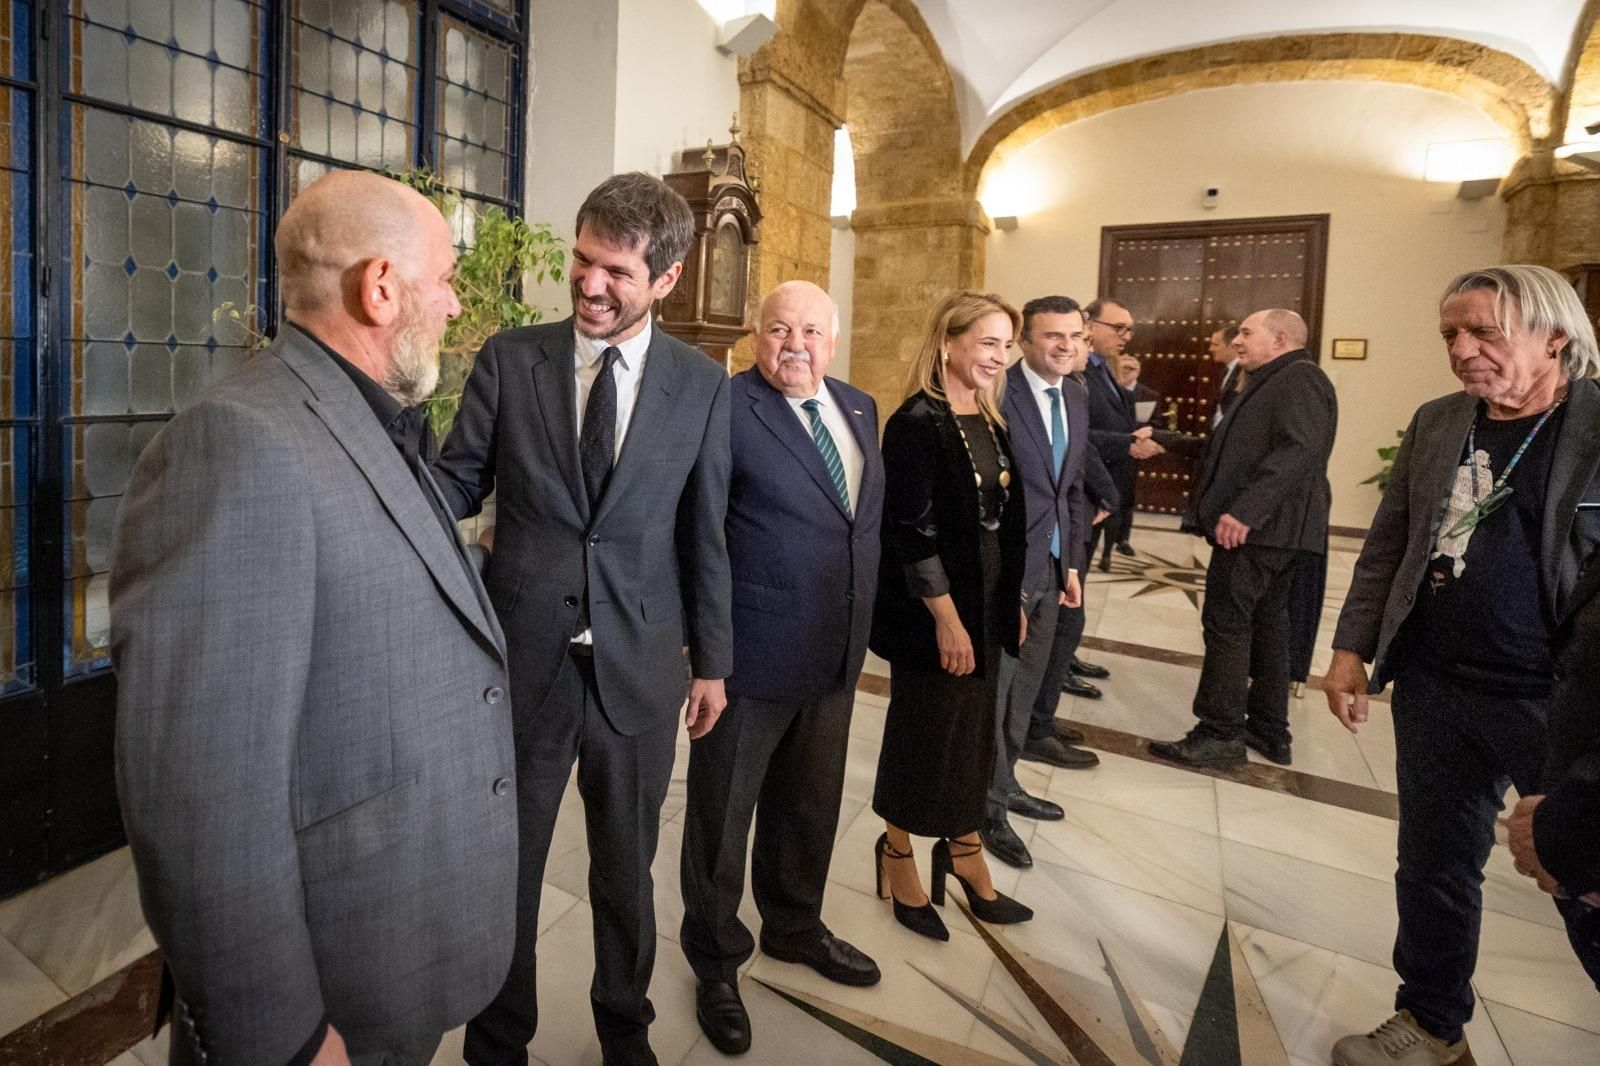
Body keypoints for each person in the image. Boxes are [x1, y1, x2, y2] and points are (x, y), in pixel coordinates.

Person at [111, 170, 516, 1066]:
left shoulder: (369, 414)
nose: (455, 305)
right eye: (446, 279)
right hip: (325, 1006)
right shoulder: (238, 443)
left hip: (390, 946)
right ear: (382, 288)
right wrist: (282, 1038)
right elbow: (200, 798)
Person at [434, 172, 733, 1066]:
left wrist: (713, 663)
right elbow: (455, 483)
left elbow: (705, 535)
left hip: (639, 666)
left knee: (626, 871)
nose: (590, 284)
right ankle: (497, 1042)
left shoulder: (701, 386)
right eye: (582, 260)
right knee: (509, 868)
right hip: (522, 663)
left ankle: (623, 1028)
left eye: (617, 272)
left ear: (667, 279)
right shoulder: (510, 358)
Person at [1324, 264, 1600, 1066]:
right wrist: (1350, 647)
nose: (1462, 349)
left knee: (1582, 880)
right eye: (1451, 333)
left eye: (1484, 331)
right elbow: (1390, 541)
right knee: (1434, 868)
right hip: (1437, 686)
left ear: (1555, 336)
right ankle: (1432, 1021)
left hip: (1555, 702)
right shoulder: (1440, 420)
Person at [678, 281, 884, 1056]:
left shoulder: (859, 407)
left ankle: (795, 926)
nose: (794, 344)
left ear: (834, 339)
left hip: (835, 652)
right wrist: (709, 658)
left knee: (810, 806)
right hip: (750, 657)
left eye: (810, 331)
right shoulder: (727, 408)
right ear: (754, 335)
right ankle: (716, 962)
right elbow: (702, 537)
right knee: (721, 821)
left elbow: (858, 527)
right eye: (777, 329)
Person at [870, 290, 1033, 942]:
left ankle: (964, 851)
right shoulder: (916, 422)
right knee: (926, 732)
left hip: (987, 598)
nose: (999, 356)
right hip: (933, 608)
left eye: (1005, 345)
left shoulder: (989, 418)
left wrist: (1011, 600)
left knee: (973, 733)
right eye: (988, 342)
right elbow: (911, 532)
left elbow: (1005, 521)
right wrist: (947, 618)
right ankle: (896, 851)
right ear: (948, 342)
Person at [1151, 308, 1335, 769]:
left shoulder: (1300, 378)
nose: (1237, 340)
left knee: (1227, 623)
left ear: (1280, 338)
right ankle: (1268, 729)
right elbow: (1228, 450)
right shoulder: (1271, 380)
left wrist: (1247, 511)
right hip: (1271, 532)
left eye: (1247, 333)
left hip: (1261, 532)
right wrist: (1164, 439)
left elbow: (1299, 450)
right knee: (1269, 625)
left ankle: (1219, 733)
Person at [982, 296, 1095, 870]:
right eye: (1053, 336)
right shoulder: (999, 394)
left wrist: (1070, 564)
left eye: (1075, 336)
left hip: (1052, 570)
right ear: (1024, 342)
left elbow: (1070, 489)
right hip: (1010, 572)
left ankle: (1006, 784)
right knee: (998, 693)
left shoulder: (1075, 395)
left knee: (1024, 692)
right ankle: (987, 810)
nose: (1065, 346)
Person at [1083, 299, 1162, 572]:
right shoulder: (1077, 371)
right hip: (1084, 486)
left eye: (1130, 330)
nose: (1126, 337)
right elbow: (1075, 433)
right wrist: (1128, 444)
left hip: (1104, 483)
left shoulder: (1102, 367)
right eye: (1119, 328)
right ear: (1090, 325)